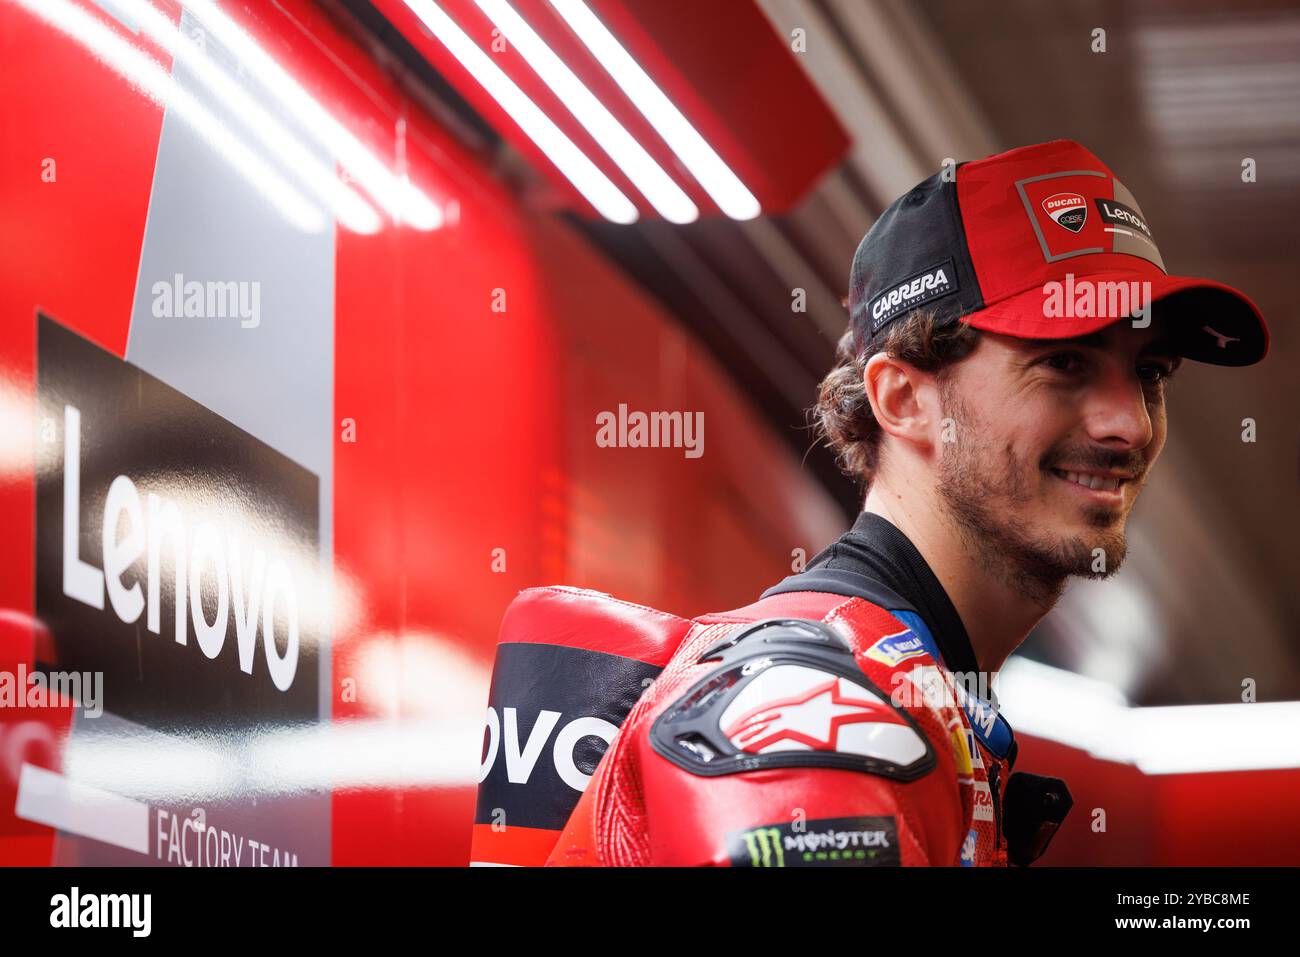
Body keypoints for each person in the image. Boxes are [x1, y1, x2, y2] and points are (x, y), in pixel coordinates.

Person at [474, 139, 1269, 867]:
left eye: (1152, 373)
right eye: (1064, 361)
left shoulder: (914, 698)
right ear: (903, 399)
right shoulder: (811, 720)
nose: (1128, 422)